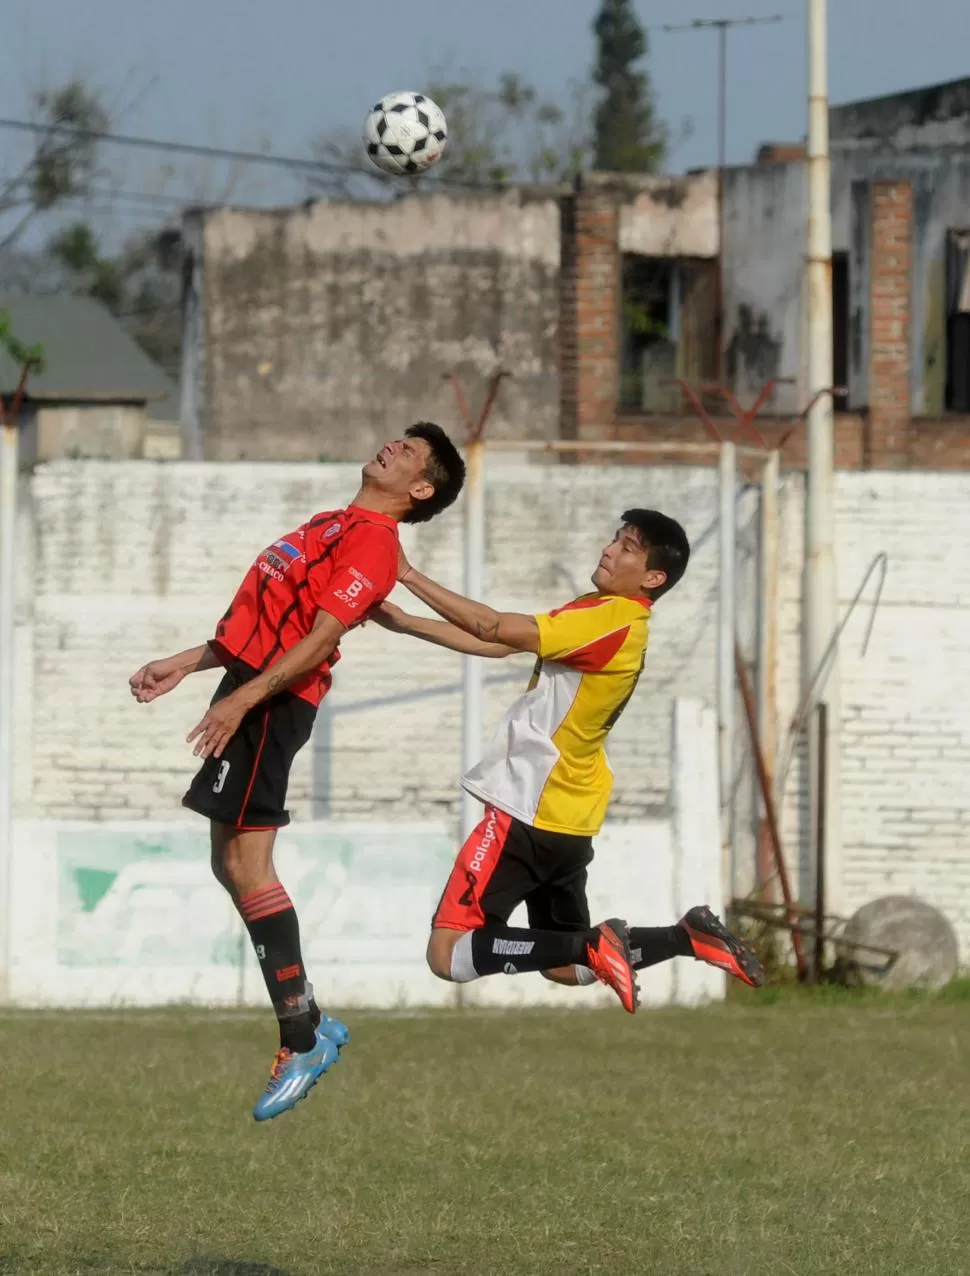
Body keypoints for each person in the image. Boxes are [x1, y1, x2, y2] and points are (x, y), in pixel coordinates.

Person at [129, 423, 465, 1121]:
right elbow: (266, 622)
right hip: (251, 690)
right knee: (231, 861)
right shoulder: (333, 523)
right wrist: (188, 663)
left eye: (408, 452)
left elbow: (318, 643)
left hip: (273, 702)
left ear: (421, 489)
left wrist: (245, 701)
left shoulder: (373, 542)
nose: (390, 447)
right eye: (395, 439)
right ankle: (309, 1019)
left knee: (248, 863)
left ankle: (301, 1037)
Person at [375, 508, 764, 1009]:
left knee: (447, 953)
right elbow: (498, 644)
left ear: (653, 577)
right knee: (567, 965)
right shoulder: (609, 614)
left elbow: (491, 625)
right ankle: (685, 937)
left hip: (530, 805)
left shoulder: (610, 618)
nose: (608, 549)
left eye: (627, 547)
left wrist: (405, 572)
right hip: (571, 816)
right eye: (615, 539)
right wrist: (406, 623)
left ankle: (596, 943)